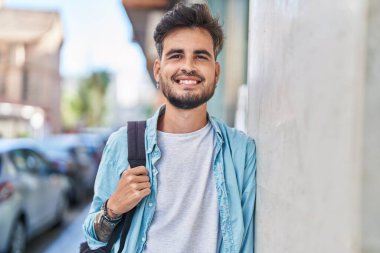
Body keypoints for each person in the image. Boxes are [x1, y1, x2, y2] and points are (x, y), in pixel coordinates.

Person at [83, 3, 256, 253]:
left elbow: (247, 242)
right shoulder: (122, 143)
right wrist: (112, 210)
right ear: (158, 70)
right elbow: (93, 237)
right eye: (176, 55)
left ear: (216, 73)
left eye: (200, 56)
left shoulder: (241, 151)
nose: (188, 66)